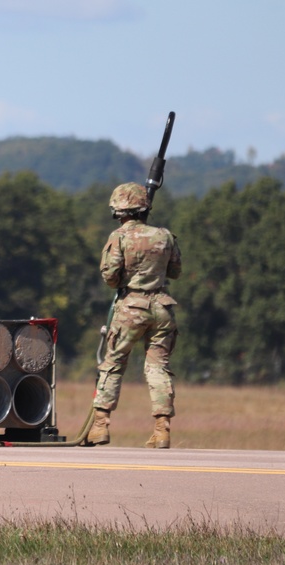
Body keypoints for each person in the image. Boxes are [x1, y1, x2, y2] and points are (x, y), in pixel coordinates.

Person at [87, 182, 182, 449]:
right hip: (163, 307)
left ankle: (100, 427)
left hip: (131, 308)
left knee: (114, 363)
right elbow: (175, 272)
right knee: (158, 368)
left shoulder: (118, 237)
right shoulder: (164, 235)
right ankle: (162, 430)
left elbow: (110, 277)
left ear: (119, 210)